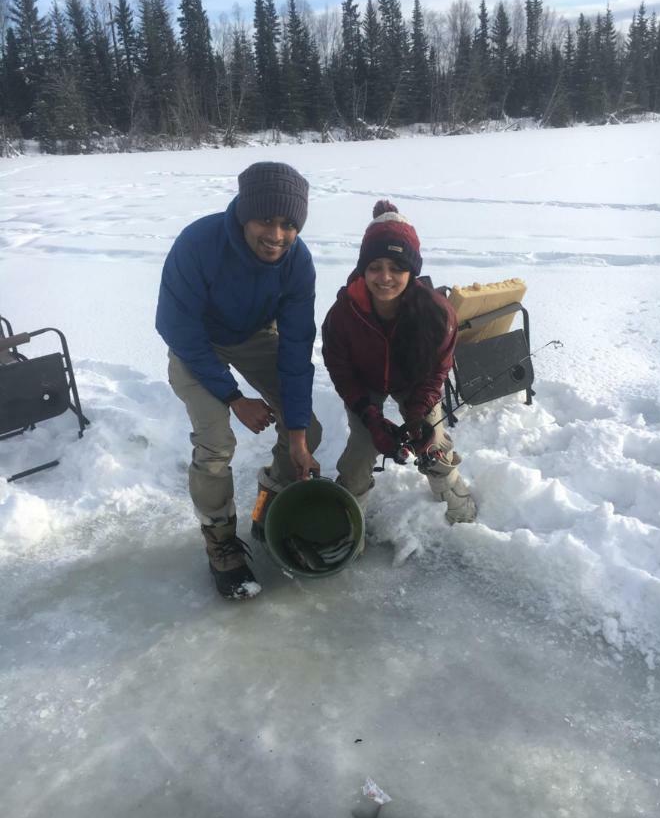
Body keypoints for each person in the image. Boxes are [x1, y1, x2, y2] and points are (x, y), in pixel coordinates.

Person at [156, 162, 322, 600]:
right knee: (215, 443)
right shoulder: (199, 243)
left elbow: (295, 349)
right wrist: (233, 397)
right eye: (266, 219)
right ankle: (220, 542)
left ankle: (268, 507)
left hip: (252, 336)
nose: (277, 234)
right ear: (244, 213)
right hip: (196, 345)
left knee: (308, 430)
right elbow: (176, 326)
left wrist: (299, 434)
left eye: (289, 224)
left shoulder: (297, 263)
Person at [322, 199, 476, 526]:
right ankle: (348, 522)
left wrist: (419, 411)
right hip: (365, 384)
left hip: (413, 382)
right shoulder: (343, 314)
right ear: (363, 268)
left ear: (412, 271)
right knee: (362, 449)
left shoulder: (438, 314)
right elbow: (341, 370)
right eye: (375, 266)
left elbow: (437, 371)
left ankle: (460, 511)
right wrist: (370, 415)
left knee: (434, 441)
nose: (385, 278)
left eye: (397, 268)